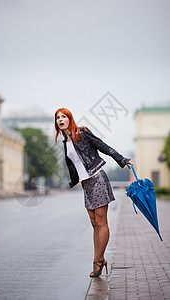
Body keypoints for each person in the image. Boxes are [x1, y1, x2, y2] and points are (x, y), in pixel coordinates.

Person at [54, 108, 132, 277]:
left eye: (63, 116)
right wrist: (73, 180)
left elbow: (102, 145)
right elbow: (73, 165)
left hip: (97, 177)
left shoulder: (81, 132)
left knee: (101, 221)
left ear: (69, 118)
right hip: (86, 184)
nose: (61, 119)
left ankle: (98, 260)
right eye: (58, 117)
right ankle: (99, 259)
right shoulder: (65, 141)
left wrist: (122, 159)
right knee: (94, 222)